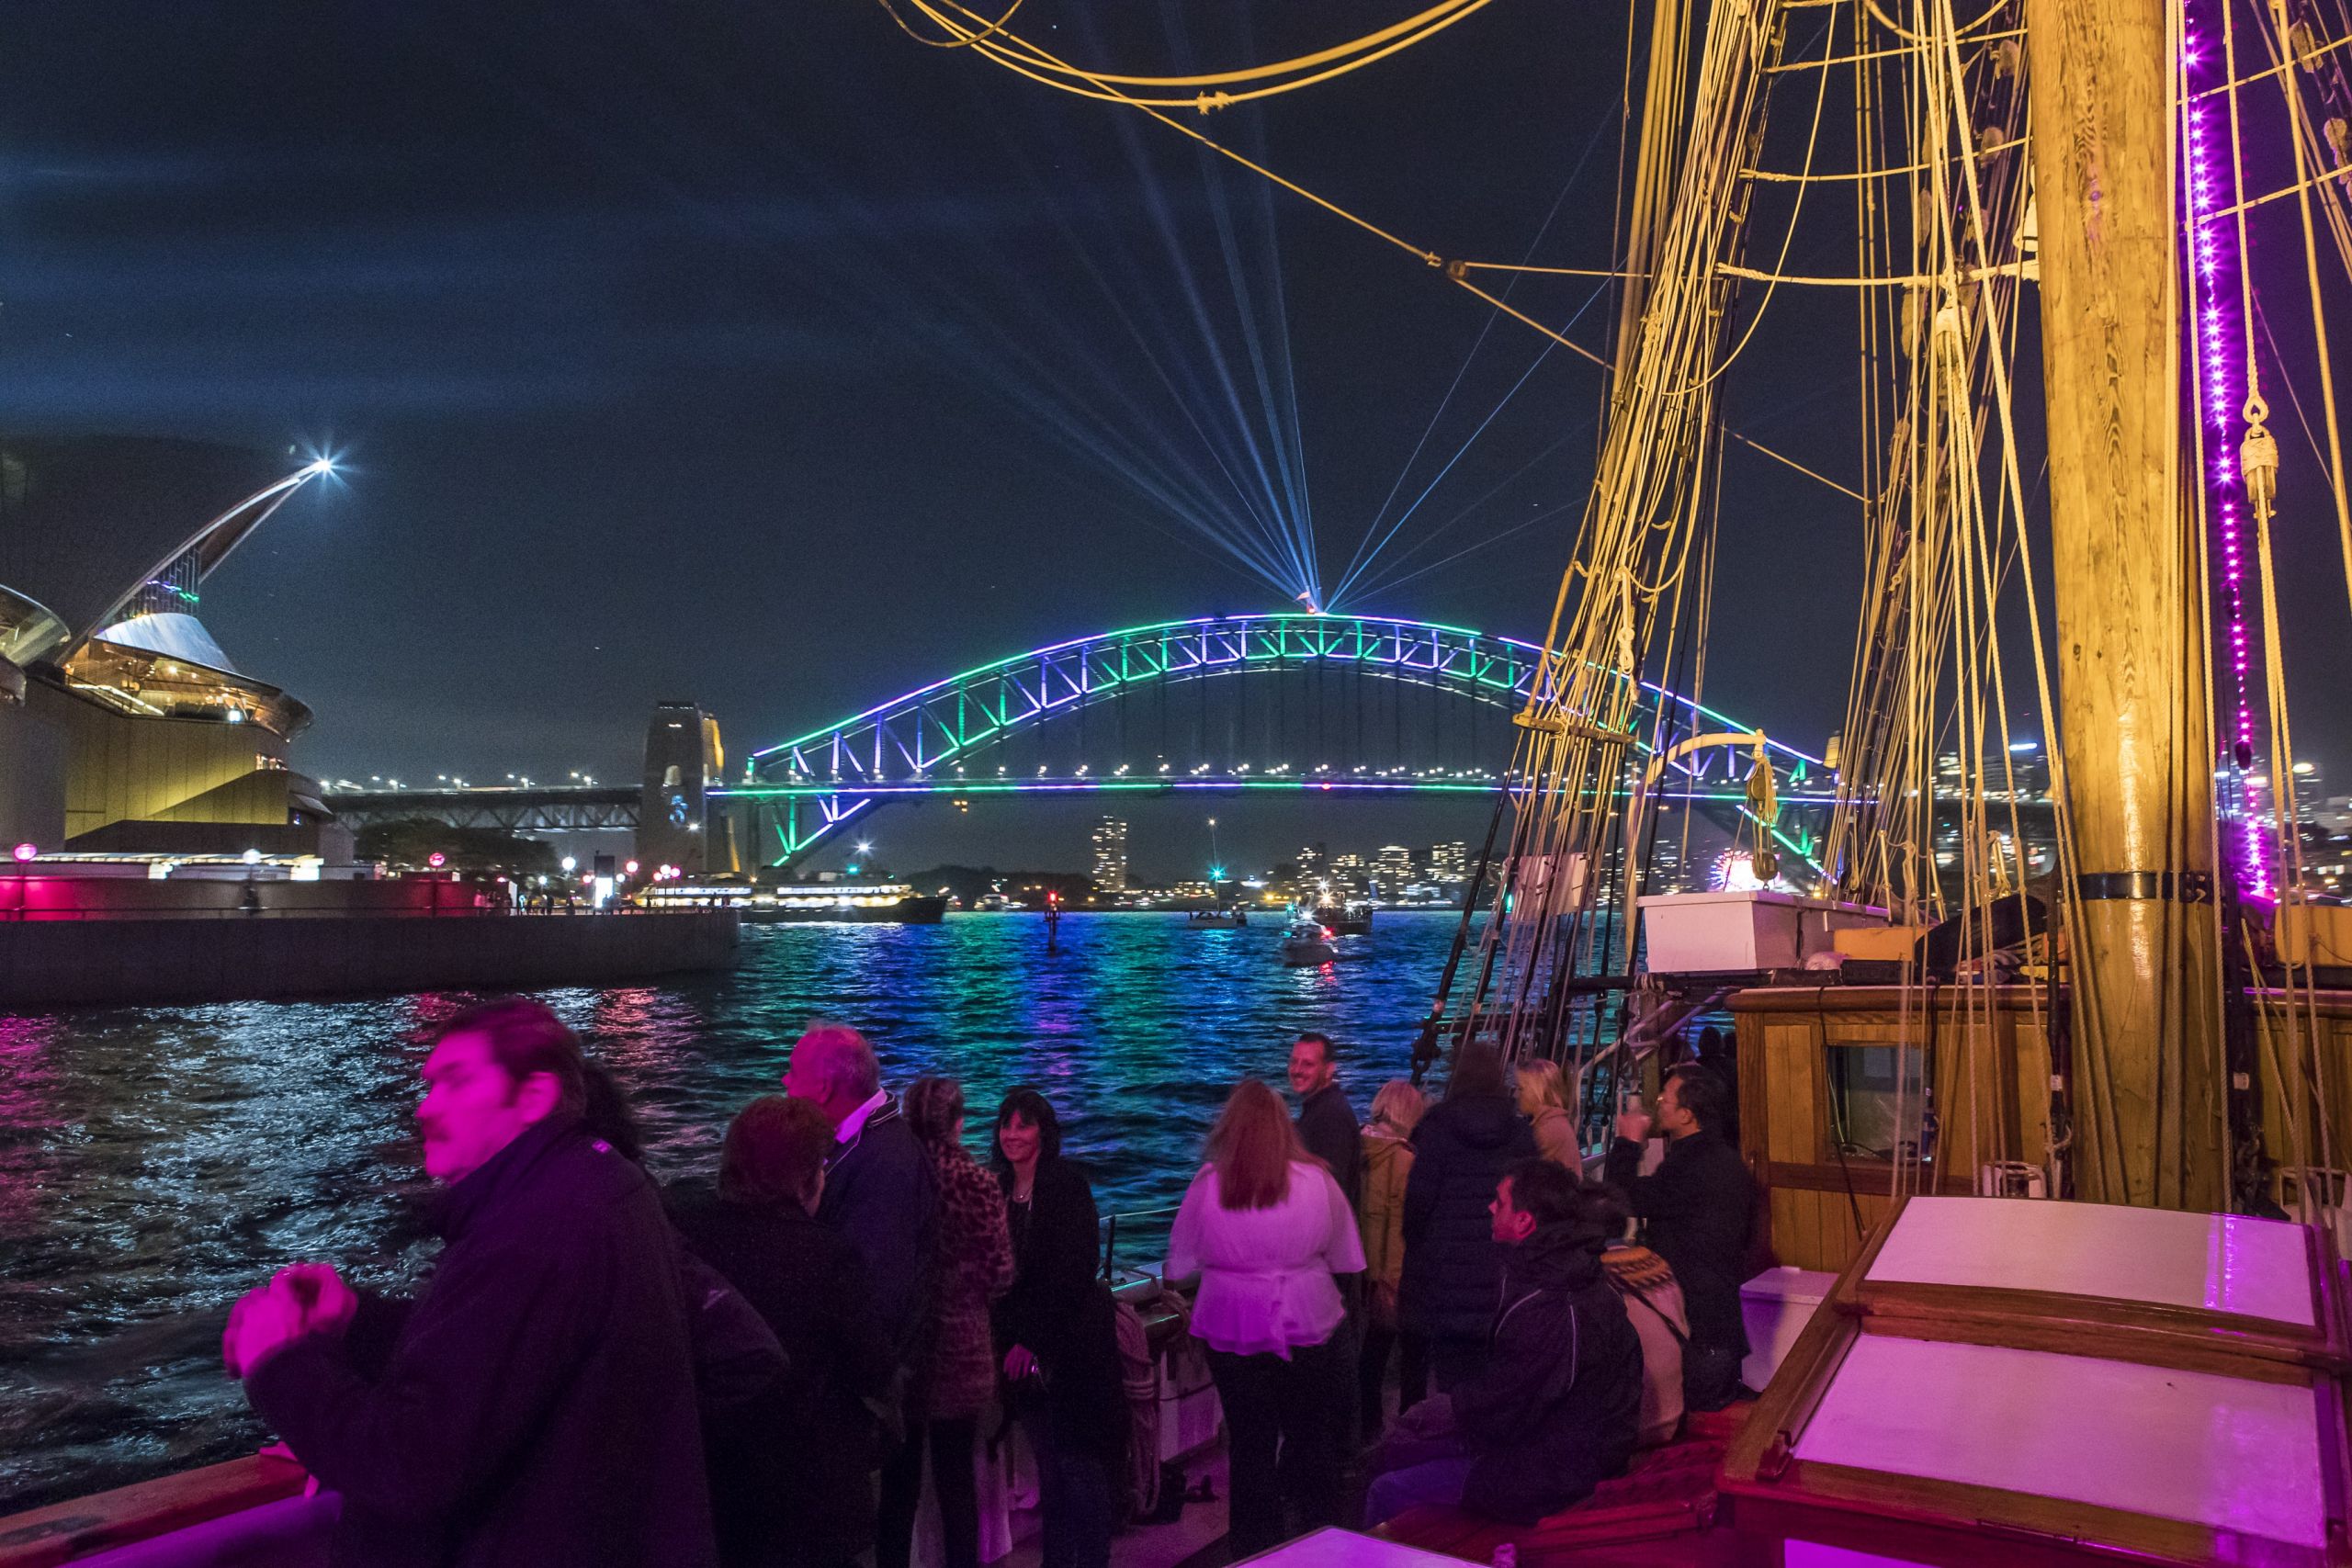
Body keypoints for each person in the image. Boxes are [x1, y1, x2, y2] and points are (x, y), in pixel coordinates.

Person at [223, 998, 716, 1568]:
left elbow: (409, 1467)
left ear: (534, 1097)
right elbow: (503, 1364)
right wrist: (357, 1322)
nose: (425, 1108)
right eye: (430, 1085)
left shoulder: (532, 1232)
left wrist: (279, 1362)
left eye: (455, 1083)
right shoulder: (599, 1188)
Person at [669, 1096, 898, 1568]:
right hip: (807, 1491)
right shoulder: (827, 1257)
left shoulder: (687, 1233)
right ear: (804, 1178)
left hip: (713, 1485)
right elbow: (873, 1367)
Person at [1362, 1162, 1644, 1529]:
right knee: (1403, 1446)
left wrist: (1440, 1415)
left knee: (1387, 1485)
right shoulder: (1570, 1273)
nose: (1490, 1208)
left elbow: (1507, 1405)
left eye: (1500, 1202)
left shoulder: (1551, 1300)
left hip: (1555, 1476)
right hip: (1569, 1451)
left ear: (1525, 1222)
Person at [1167, 1079, 1365, 1558]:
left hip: (1231, 1324)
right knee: (1309, 1433)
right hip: (1308, 1320)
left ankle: (1255, 1549)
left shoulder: (1210, 1186)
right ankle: (1320, 1541)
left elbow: (1178, 1266)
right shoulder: (1319, 1181)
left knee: (1250, 1444)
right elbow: (1347, 1259)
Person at [878, 1077, 1015, 1568]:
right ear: (959, 1123)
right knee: (957, 1485)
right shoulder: (979, 1184)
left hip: (905, 1353)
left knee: (899, 1489)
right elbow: (1000, 1277)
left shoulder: (894, 1179)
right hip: (962, 1351)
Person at [992, 1087, 1126, 1568]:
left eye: (1023, 1124)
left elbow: (1074, 1270)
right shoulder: (998, 1188)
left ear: (1044, 1132)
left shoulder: (1067, 1185)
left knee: (1077, 1466)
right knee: (1050, 1471)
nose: (1012, 1134)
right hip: (1019, 1355)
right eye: (1006, 1124)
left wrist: (1032, 1339)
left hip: (1068, 1353)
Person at [781, 1022, 938, 1361]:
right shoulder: (868, 1142)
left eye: (793, 1073)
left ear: (823, 1089)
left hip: (865, 1376)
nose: (785, 1082)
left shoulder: (885, 1165)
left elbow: (876, 1291)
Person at [1605, 1065, 1757, 1412]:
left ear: (1687, 1115)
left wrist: (1628, 1142)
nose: (1658, 1105)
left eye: (1664, 1100)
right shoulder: (1727, 1161)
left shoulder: (1689, 1167)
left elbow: (1619, 1196)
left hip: (1698, 1328)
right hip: (1720, 1319)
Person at [1399, 1042, 1537, 1392]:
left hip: (1448, 1274)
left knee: (1454, 1383)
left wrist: (1420, 1249)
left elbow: (1418, 1202)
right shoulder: (1520, 1132)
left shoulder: (1438, 1129)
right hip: (1503, 1273)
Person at [1357, 1078, 1430, 1438]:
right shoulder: (1408, 1160)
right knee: (1414, 1359)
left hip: (1362, 1275)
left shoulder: (1357, 1151)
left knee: (1369, 1359)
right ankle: (1410, 1431)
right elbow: (1408, 1228)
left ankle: (1367, 1429)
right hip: (1400, 1277)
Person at [1289, 1032, 1361, 1207]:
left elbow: (1332, 1189)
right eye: (1293, 1062)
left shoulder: (1331, 1118)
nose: (1297, 1070)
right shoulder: (1322, 1107)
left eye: (1308, 1064)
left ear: (1329, 1070)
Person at [1515, 1058, 1580, 1168]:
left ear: (1538, 1091)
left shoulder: (1546, 1131)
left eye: (1521, 1089)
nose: (1516, 1094)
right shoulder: (1556, 1122)